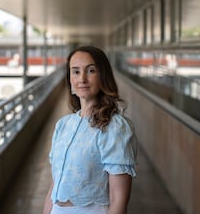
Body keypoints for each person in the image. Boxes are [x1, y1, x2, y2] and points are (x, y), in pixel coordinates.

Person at [43, 46, 137, 214]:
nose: (82, 79)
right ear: (69, 78)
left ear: (103, 76)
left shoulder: (115, 127)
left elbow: (118, 200)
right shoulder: (63, 125)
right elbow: (54, 187)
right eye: (76, 72)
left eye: (91, 70)